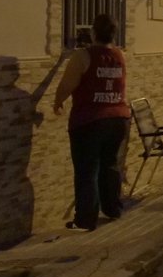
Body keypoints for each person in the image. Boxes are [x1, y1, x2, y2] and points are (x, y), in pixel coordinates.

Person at [52, 14, 131, 231]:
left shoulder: (83, 56)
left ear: (93, 32)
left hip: (90, 120)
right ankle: (113, 209)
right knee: (110, 166)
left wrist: (58, 102)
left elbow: (67, 85)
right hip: (118, 119)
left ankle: (86, 219)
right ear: (113, 34)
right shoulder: (120, 55)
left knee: (87, 170)